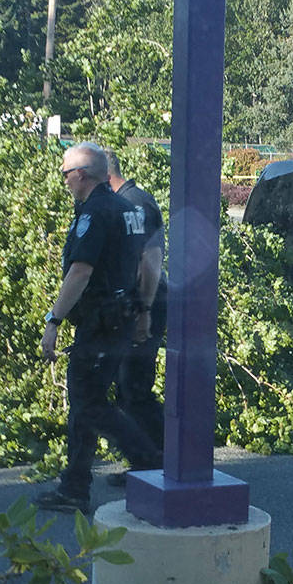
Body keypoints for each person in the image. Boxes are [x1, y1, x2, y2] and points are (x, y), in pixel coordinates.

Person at [36, 143, 162, 514]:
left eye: (65, 174)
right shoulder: (128, 210)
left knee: (90, 404)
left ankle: (146, 458)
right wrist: (144, 312)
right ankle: (75, 485)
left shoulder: (97, 212)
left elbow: (81, 271)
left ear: (81, 175)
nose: (64, 181)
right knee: (85, 404)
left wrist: (53, 321)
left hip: (100, 322)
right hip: (120, 317)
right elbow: (147, 263)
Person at [104, 148, 167, 487]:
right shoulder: (125, 202)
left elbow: (151, 260)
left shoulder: (137, 203)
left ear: (105, 175)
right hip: (136, 305)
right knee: (126, 386)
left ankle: (159, 464)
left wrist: (144, 308)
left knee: (135, 387)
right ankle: (149, 463)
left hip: (148, 304)